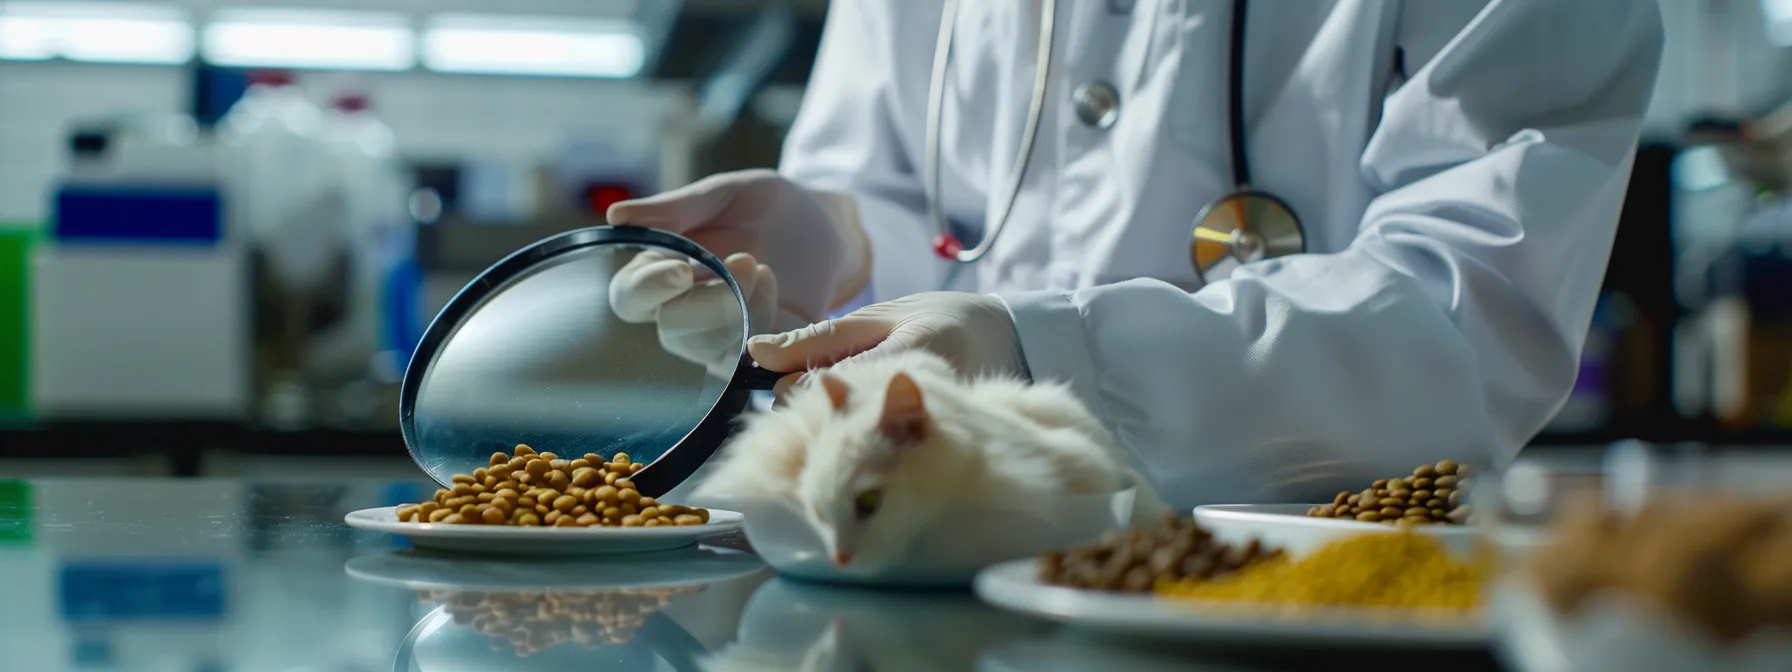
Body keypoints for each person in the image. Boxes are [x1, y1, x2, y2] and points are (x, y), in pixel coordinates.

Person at [605, 0, 1666, 505]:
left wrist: (1055, 357)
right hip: (932, 583)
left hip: (1293, 602)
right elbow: (911, 197)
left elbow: (1470, 316)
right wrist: (837, 247)